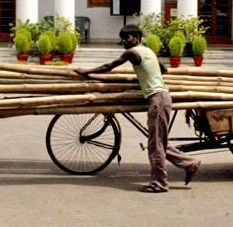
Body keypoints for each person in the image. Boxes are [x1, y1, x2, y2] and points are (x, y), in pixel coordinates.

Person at [75, 24, 200, 193]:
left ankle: (159, 183)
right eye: (122, 39)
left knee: (155, 144)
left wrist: (86, 71)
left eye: (127, 38)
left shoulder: (132, 52)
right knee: (157, 141)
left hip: (157, 100)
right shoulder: (148, 51)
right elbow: (163, 69)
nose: (124, 41)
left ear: (137, 37)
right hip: (161, 97)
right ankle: (189, 163)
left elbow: (109, 66)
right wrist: (145, 77)